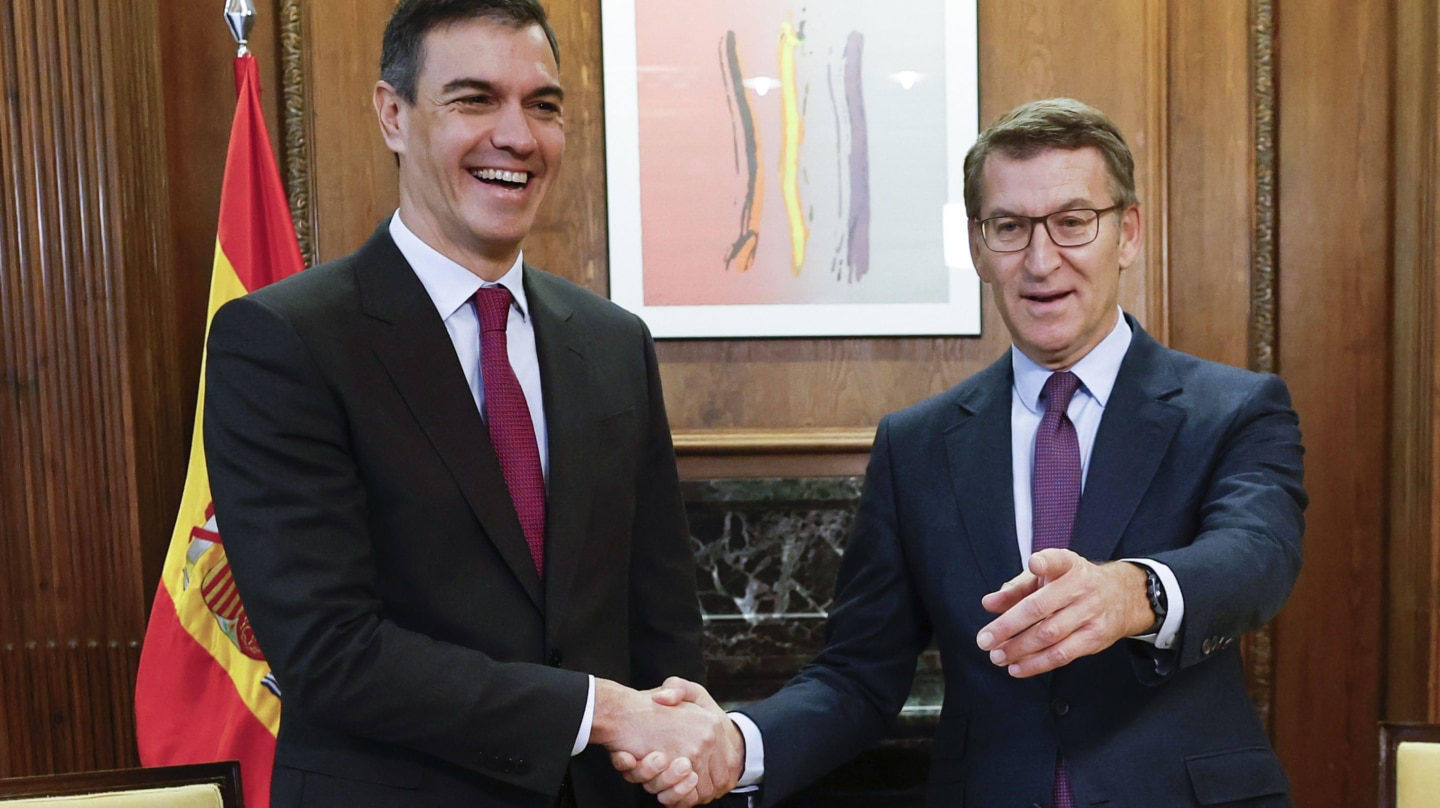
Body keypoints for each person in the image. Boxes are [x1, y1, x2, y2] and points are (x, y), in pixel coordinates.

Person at [628, 97, 1307, 807]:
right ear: (979, 246)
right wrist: (741, 743)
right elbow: (859, 675)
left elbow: (1259, 556)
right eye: (1010, 228)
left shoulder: (1234, 408)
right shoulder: (917, 445)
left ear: (1127, 233)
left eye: (1073, 222)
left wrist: (1130, 593)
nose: (1042, 261)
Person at [203, 1, 738, 805]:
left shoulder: (613, 341)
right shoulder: (285, 341)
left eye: (543, 105)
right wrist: (603, 713)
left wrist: (676, 735)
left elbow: (660, 616)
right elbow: (329, 649)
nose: (518, 137)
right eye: (475, 99)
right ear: (394, 114)